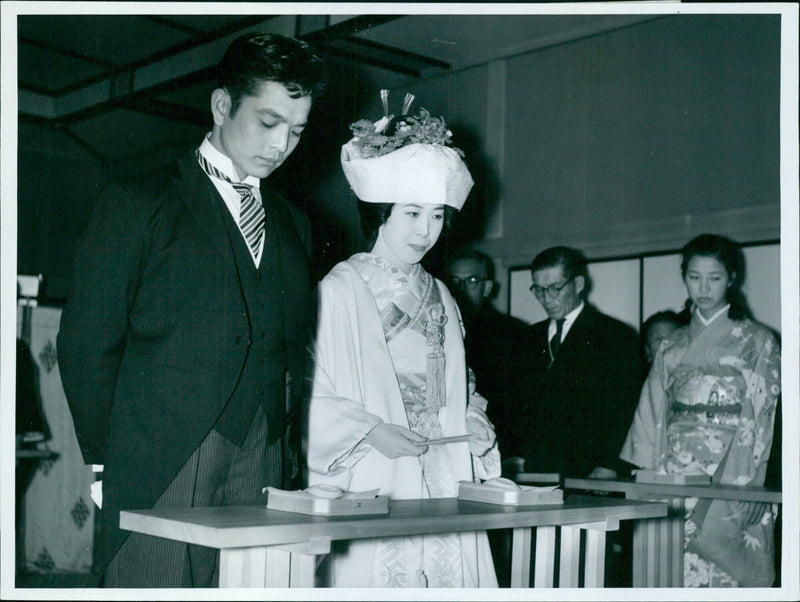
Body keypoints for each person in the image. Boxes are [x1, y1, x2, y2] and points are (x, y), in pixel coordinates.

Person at [57, 33, 326, 588]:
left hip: (264, 455)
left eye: (297, 131)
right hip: (159, 455)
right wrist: (108, 458)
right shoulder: (138, 202)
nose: (281, 145)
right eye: (269, 122)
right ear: (222, 105)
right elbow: (87, 342)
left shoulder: (295, 223)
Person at [306, 93, 500, 588]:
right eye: (412, 213)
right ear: (381, 211)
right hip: (375, 462)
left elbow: (459, 383)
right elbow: (310, 389)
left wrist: (474, 421)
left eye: (437, 216)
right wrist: (371, 431)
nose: (426, 231)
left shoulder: (441, 293)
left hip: (442, 465)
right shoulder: (341, 288)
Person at [620, 234, 780, 587]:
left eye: (715, 278)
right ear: (684, 277)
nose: (704, 287)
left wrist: (758, 482)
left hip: (734, 468)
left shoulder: (759, 340)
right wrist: (646, 470)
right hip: (673, 467)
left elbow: (766, 412)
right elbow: (652, 408)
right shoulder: (672, 343)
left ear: (732, 279)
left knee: (726, 573)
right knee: (669, 567)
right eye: (695, 277)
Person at [512, 246, 643, 480]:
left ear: (578, 284)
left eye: (555, 288)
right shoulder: (527, 338)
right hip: (537, 471)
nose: (546, 299)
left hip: (592, 470)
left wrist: (609, 463)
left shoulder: (615, 336)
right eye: (539, 290)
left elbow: (625, 408)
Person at [444, 247, 528, 454]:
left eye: (471, 281)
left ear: (487, 287)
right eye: (454, 282)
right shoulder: (438, 330)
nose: (461, 289)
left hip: (500, 446)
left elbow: (522, 404)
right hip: (450, 441)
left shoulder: (515, 333)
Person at [640, 310, 685, 378]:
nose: (665, 344)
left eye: (672, 338)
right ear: (647, 351)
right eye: (658, 339)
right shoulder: (636, 383)